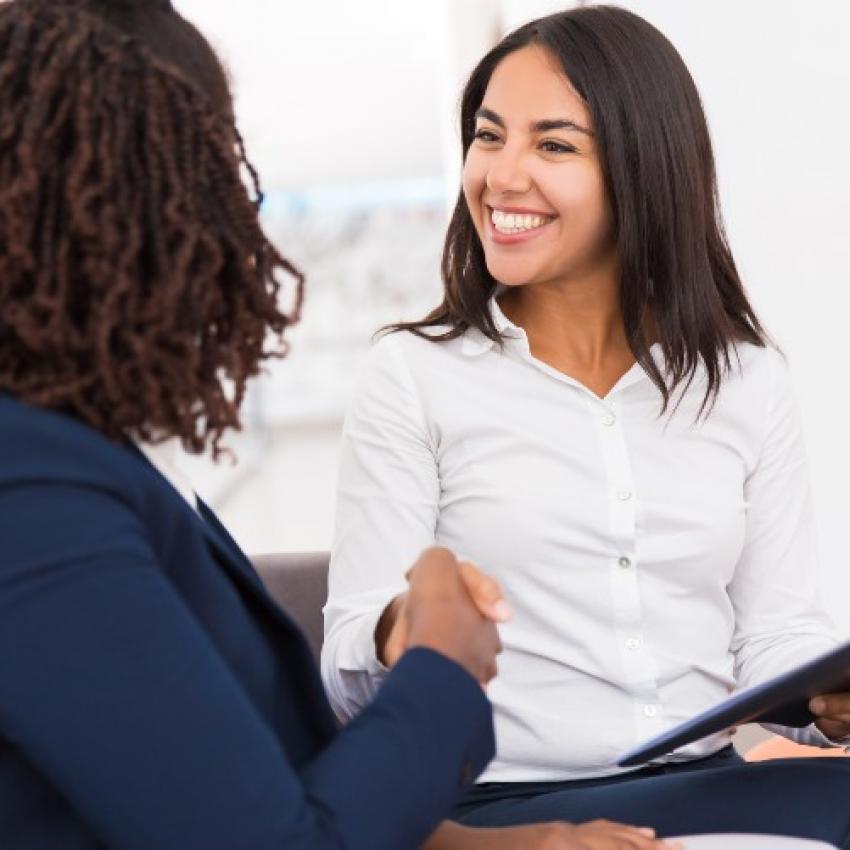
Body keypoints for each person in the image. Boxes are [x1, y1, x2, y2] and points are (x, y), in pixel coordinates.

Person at [0, 2, 676, 849]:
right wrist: (442, 660)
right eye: (206, 170)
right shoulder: (30, 488)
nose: (231, 223)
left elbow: (230, 794)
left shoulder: (79, 457)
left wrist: (505, 846)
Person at [322, 5, 850, 846]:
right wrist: (401, 632)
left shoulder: (747, 378)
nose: (501, 175)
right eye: (489, 136)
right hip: (504, 810)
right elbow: (347, 673)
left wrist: (830, 705)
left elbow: (778, 630)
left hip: (707, 784)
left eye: (553, 145)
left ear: (645, 172)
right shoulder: (413, 376)